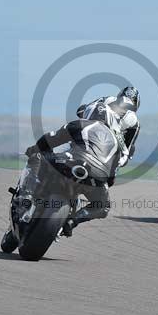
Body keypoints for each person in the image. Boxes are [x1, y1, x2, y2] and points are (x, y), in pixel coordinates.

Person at [19, 106, 122, 237]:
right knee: (103, 206)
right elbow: (112, 179)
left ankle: (26, 196)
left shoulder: (81, 123)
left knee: (37, 157)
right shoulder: (116, 144)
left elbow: (51, 139)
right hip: (97, 176)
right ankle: (73, 221)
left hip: (71, 162)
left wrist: (34, 149)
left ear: (89, 113)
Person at [77, 86, 140, 167]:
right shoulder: (107, 100)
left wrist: (124, 156)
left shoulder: (107, 99)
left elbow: (128, 148)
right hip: (93, 132)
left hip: (105, 142)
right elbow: (84, 109)